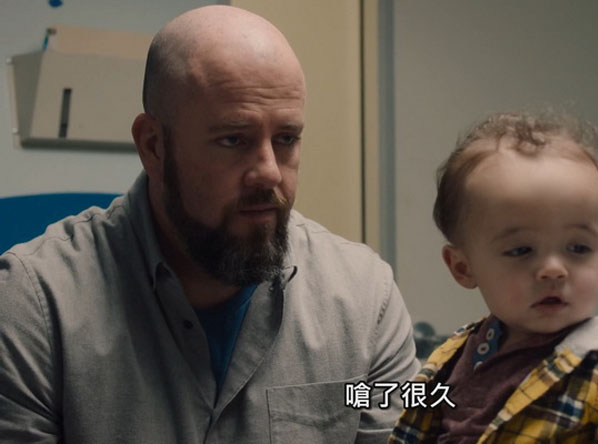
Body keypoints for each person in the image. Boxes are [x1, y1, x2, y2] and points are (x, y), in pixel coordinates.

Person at [0, 5, 419, 443]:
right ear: (153, 146)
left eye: (286, 139)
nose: (269, 172)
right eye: (233, 139)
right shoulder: (35, 308)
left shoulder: (363, 299)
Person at [389, 111, 598, 443]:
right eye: (521, 250)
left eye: (578, 247)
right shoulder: (453, 357)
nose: (554, 269)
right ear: (463, 268)